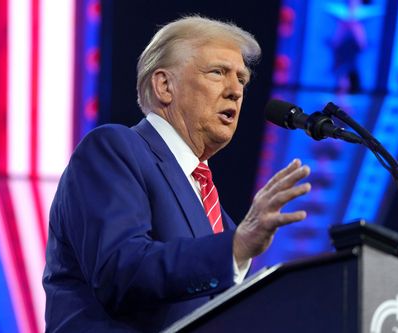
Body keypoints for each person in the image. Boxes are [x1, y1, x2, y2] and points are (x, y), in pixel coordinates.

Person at [43, 15, 311, 332]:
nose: (235, 91)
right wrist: (234, 248)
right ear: (164, 85)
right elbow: (120, 271)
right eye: (218, 72)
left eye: (241, 79)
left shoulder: (221, 219)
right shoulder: (114, 150)